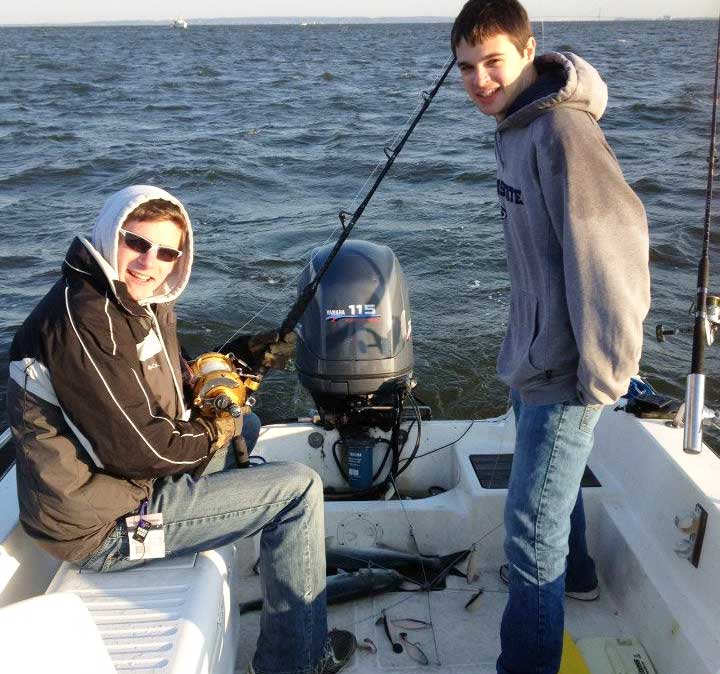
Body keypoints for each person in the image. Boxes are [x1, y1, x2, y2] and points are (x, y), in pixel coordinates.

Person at [7, 185, 355, 674]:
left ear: (179, 258)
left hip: (124, 487)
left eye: (167, 251)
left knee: (248, 424)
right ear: (111, 236)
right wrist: (215, 430)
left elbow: (172, 379)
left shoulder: (131, 301)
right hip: (105, 529)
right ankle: (296, 661)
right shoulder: (86, 323)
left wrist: (239, 357)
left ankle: (262, 540)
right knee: (297, 490)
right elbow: (139, 449)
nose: (150, 262)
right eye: (137, 243)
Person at [450, 2, 650, 673]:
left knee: (531, 530)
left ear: (530, 50)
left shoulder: (562, 131)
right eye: (466, 68)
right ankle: (581, 574)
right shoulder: (514, 125)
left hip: (568, 371)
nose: (480, 79)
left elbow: (617, 253)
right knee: (549, 500)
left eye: (493, 62)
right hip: (535, 356)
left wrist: (601, 379)